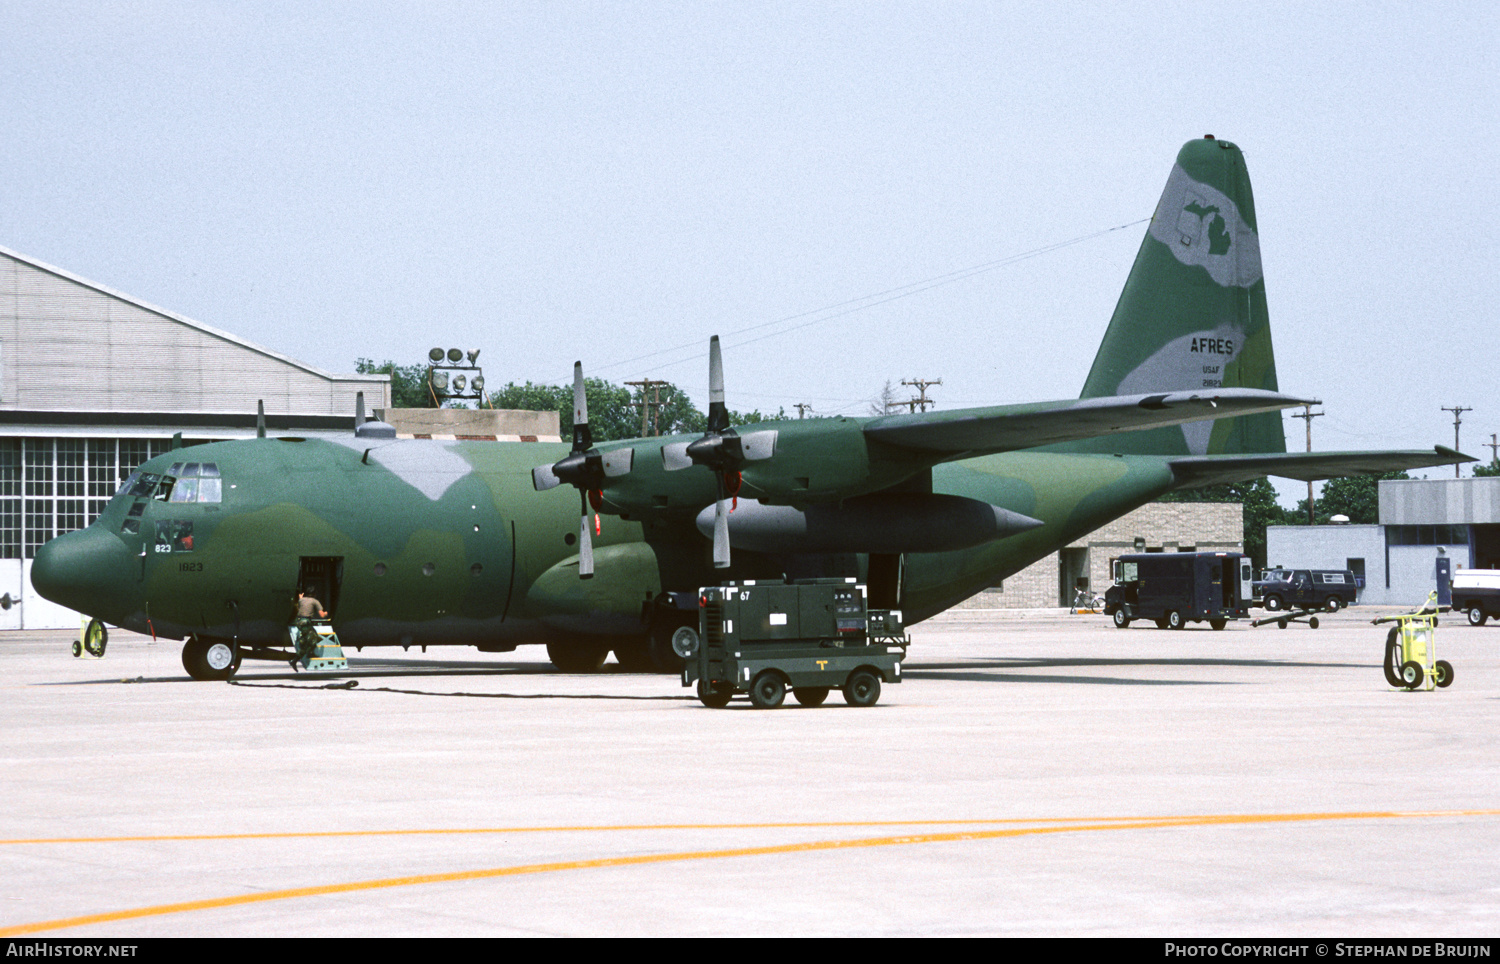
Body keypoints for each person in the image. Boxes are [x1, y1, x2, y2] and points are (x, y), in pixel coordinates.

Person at [293, 589, 328, 666]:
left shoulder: (301, 600)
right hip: (305, 622)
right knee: (312, 641)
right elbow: (322, 615)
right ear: (314, 594)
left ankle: (310, 651)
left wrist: (301, 597)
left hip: (298, 622)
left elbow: (300, 601)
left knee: (314, 634)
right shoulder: (315, 601)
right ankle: (295, 659)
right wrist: (326, 613)